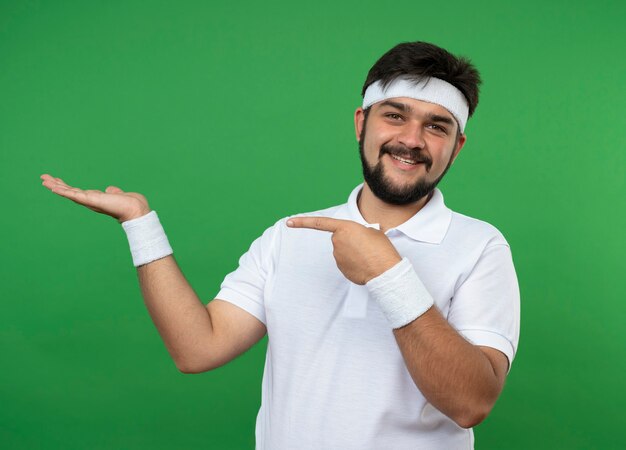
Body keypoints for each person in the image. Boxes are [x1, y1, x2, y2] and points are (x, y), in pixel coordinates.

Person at [41, 41, 520, 449]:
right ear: (361, 123)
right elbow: (197, 348)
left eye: (436, 126)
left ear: (456, 145)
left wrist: (388, 274)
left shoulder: (480, 247)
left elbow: (471, 403)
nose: (411, 140)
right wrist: (141, 226)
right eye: (395, 116)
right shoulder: (289, 235)